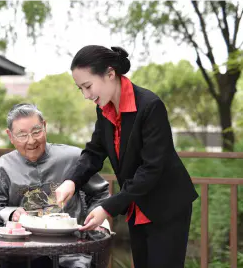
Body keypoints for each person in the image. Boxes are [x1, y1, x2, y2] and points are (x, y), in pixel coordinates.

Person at [55, 45, 199, 268]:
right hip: (137, 203)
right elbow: (94, 151)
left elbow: (151, 168)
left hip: (166, 205)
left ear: (110, 74)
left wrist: (107, 207)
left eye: (88, 86)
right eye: (80, 89)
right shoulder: (104, 109)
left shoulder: (150, 106)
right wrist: (71, 181)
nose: (86, 95)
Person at [0, 103, 111, 268]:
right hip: (20, 254)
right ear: (10, 136)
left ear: (45, 127)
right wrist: (11, 213)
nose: (31, 140)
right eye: (22, 134)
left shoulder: (73, 158)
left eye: (36, 131)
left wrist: (94, 220)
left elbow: (101, 194)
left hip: (71, 251)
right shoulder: (2, 168)